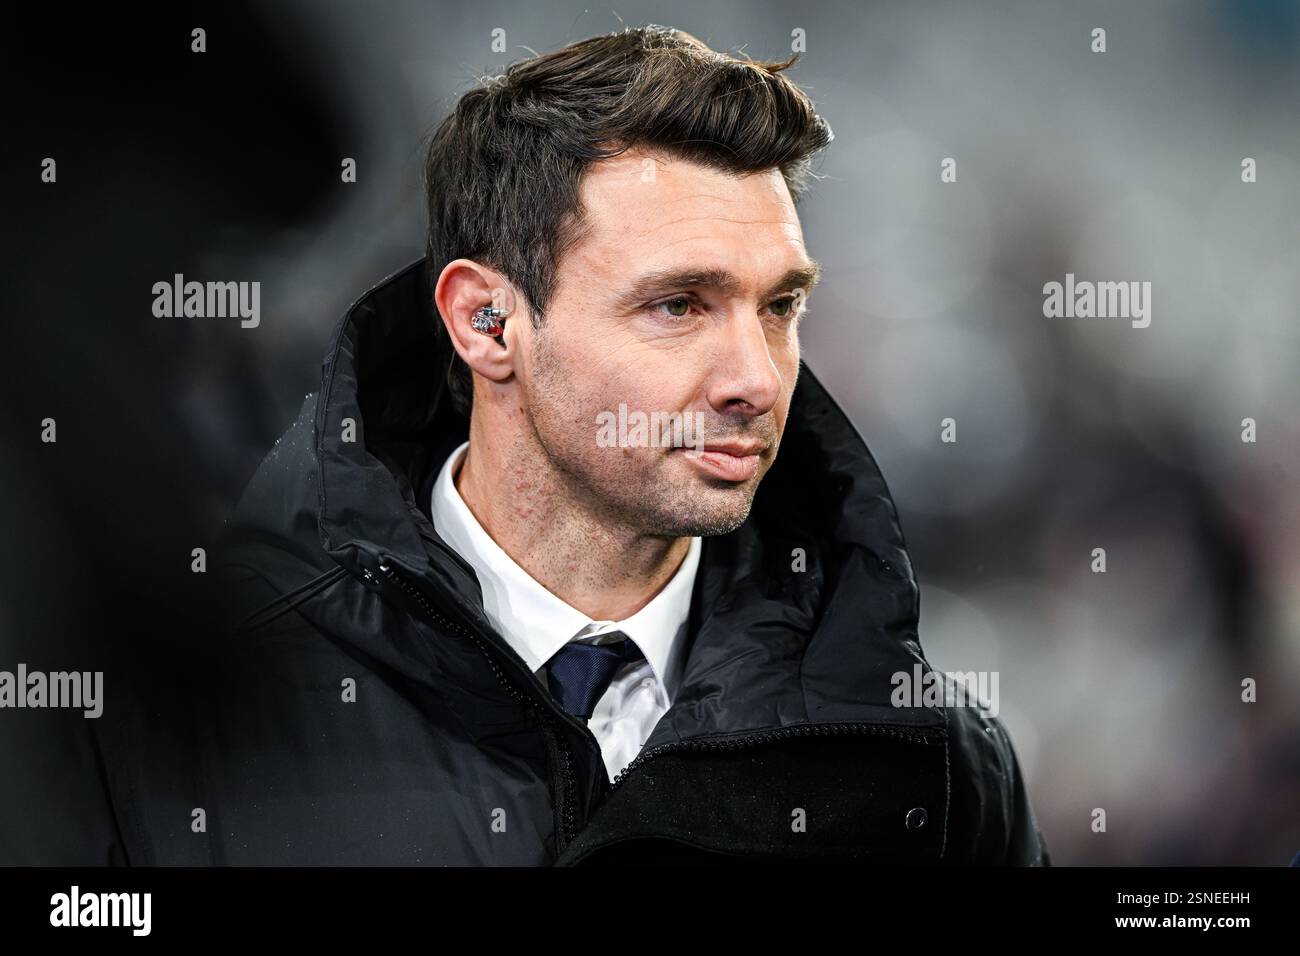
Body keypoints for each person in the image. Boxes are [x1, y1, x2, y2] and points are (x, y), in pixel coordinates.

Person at [96, 24, 1049, 865]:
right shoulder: (177, 718)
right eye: (679, 305)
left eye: (781, 305)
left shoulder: (931, 768)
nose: (757, 379)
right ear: (487, 322)